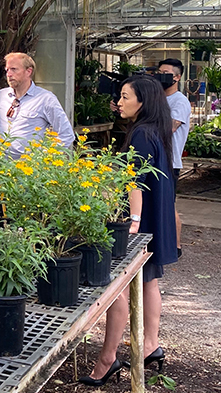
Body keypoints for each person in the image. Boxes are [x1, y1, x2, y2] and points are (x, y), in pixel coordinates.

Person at [79, 75, 178, 387]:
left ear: (142, 101)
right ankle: (150, 344)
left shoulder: (140, 134)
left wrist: (132, 222)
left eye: (124, 97)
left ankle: (108, 357)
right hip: (156, 211)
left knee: (118, 287)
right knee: (150, 279)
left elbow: (133, 181)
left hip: (141, 216)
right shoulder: (156, 131)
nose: (118, 103)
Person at [0, 52, 75, 159]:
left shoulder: (45, 99)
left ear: (28, 71)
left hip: (28, 170)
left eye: (14, 69)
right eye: (7, 70)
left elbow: (66, 134)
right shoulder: (0, 96)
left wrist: (44, 159)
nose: (9, 74)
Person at [156, 59, 191, 258]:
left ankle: (176, 247)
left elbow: (170, 127)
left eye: (166, 73)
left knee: (168, 204)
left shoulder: (180, 101)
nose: (161, 76)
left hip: (170, 162)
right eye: (159, 72)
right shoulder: (158, 99)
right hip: (155, 161)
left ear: (177, 77)